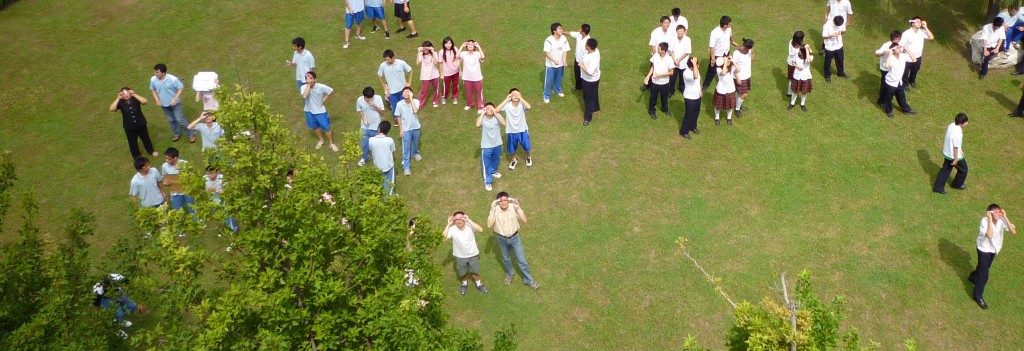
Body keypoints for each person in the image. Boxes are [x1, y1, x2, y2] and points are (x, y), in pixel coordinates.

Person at [487, 192, 539, 289]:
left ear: (508, 199)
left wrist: (518, 208)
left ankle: (528, 280)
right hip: (501, 239)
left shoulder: (513, 207)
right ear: (498, 202)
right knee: (506, 259)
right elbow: (489, 225)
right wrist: (492, 210)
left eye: (505, 200)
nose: (503, 202)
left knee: (522, 260)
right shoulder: (495, 210)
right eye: (501, 201)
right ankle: (510, 274)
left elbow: (524, 220)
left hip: (515, 238)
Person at [969, 204, 1016, 309]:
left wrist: (1005, 217)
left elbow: (1013, 231)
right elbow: (989, 235)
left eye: (999, 212)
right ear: (989, 213)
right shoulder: (984, 221)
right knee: (984, 274)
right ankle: (977, 296)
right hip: (983, 249)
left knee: (983, 268)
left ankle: (972, 276)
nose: (998, 214)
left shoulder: (1001, 220)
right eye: (996, 212)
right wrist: (990, 220)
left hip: (993, 249)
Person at [444, 211, 488, 295]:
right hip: (460, 257)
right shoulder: (452, 229)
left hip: (473, 255)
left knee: (475, 272)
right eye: (456, 219)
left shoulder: (469, 225)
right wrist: (448, 225)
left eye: (460, 218)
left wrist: (469, 220)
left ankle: (479, 284)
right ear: (454, 221)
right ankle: (464, 284)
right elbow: (443, 238)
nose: (458, 221)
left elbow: (481, 230)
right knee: (462, 273)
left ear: (464, 219)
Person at [149, 63, 194, 143]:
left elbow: (181, 88)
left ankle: (191, 134)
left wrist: (175, 99)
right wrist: (157, 100)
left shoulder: (173, 79)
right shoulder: (153, 79)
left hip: (175, 104)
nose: (155, 74)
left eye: (157, 72)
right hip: (164, 104)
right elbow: (153, 89)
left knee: (180, 119)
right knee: (171, 120)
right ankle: (177, 134)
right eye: (155, 72)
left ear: (163, 73)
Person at [110, 87, 158, 159]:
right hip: (129, 127)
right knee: (132, 142)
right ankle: (136, 156)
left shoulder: (135, 99)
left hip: (141, 123)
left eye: (127, 93)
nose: (126, 95)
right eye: (123, 93)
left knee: (146, 138)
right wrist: (118, 98)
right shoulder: (120, 102)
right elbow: (112, 109)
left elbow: (144, 101)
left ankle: (151, 151)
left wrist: (134, 94)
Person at [300, 71, 338, 151]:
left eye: (310, 78)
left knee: (327, 128)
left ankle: (332, 143)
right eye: (307, 78)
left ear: (315, 79)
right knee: (315, 127)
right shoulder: (303, 87)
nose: (309, 80)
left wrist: (323, 99)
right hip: (309, 111)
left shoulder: (321, 87)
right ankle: (321, 140)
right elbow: (304, 96)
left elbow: (331, 91)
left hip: (320, 112)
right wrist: (308, 86)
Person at [496, 89, 533, 170]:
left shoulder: (522, 104)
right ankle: (514, 159)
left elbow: (529, 107)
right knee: (511, 150)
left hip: (523, 130)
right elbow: (497, 110)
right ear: (510, 96)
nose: (515, 96)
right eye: (513, 94)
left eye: (517, 94)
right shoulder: (507, 105)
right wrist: (506, 99)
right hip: (511, 131)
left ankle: (528, 157)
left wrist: (521, 98)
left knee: (527, 147)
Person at [933, 113, 969, 194]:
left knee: (945, 170)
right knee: (963, 169)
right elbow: (955, 147)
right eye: (966, 122)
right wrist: (956, 159)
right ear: (961, 123)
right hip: (953, 155)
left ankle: (938, 187)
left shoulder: (952, 125)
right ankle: (957, 184)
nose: (967, 123)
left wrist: (960, 149)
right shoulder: (958, 133)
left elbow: (952, 141)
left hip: (947, 152)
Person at [879, 43, 917, 118]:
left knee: (901, 97)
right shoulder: (890, 58)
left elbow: (914, 60)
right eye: (897, 48)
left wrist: (907, 50)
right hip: (890, 83)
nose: (899, 49)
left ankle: (906, 110)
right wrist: (890, 54)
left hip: (899, 82)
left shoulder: (903, 56)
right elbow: (886, 65)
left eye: (900, 47)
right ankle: (889, 111)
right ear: (893, 50)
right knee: (888, 98)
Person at [477, 103, 506, 192]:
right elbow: (478, 125)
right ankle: (488, 181)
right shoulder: (483, 118)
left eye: (491, 108)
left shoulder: (497, 117)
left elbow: (504, 123)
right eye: (487, 108)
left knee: (495, 160)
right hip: (486, 146)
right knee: (486, 164)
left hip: (497, 144)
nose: (490, 110)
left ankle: (493, 171)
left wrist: (496, 113)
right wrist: (482, 113)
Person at [704, 16, 737, 91]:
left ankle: (724, 81)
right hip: (717, 54)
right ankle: (706, 84)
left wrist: (732, 42)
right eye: (729, 23)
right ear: (725, 25)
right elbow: (712, 47)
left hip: (726, 52)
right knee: (712, 70)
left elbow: (730, 36)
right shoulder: (715, 32)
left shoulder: (728, 29)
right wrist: (713, 59)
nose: (730, 24)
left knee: (726, 66)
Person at [394, 87, 422, 176]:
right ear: (402, 95)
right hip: (406, 129)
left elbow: (415, 110)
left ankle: (415, 153)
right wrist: (401, 130)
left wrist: (411, 99)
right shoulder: (399, 104)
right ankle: (406, 167)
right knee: (406, 149)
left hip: (416, 127)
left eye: (408, 91)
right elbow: (398, 117)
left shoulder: (416, 101)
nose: (406, 93)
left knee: (415, 143)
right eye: (405, 92)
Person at [899, 17, 934, 87]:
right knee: (905, 71)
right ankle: (905, 84)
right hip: (907, 56)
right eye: (917, 21)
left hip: (918, 56)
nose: (919, 23)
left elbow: (931, 37)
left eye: (920, 22)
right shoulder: (906, 33)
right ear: (912, 23)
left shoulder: (921, 32)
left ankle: (912, 80)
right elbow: (901, 44)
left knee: (915, 70)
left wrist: (926, 27)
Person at [356, 87, 386, 167]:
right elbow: (359, 110)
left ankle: (378, 159)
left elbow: (382, 113)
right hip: (365, 127)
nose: (368, 99)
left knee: (377, 145)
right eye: (367, 98)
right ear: (364, 96)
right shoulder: (359, 100)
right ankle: (364, 158)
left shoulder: (378, 98)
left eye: (370, 97)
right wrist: (364, 119)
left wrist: (374, 105)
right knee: (364, 144)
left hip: (376, 127)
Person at [377, 49, 414, 115]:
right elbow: (379, 75)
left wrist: (409, 82)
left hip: (403, 90)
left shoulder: (401, 63)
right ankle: (397, 120)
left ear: (393, 57)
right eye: (385, 59)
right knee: (395, 107)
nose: (386, 61)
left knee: (405, 105)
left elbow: (410, 70)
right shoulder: (383, 65)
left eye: (388, 59)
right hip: (392, 91)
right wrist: (385, 87)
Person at [644, 42, 674, 120]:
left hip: (664, 83)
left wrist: (660, 75)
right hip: (655, 82)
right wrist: (648, 76)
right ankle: (652, 111)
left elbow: (671, 72)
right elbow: (653, 67)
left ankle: (665, 109)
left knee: (664, 97)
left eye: (659, 49)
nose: (658, 49)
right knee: (653, 97)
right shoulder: (655, 56)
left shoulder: (669, 59)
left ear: (664, 50)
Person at [161, 147, 196, 214]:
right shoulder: (164, 166)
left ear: (175, 158)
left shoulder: (185, 164)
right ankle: (180, 223)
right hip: (175, 192)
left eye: (169, 159)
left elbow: (193, 176)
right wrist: (165, 183)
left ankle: (197, 222)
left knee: (192, 209)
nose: (166, 160)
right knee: (177, 211)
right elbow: (164, 177)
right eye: (165, 158)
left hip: (187, 190)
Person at [543, 23, 571, 103]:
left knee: (559, 79)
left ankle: (557, 90)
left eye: (561, 28)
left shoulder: (564, 38)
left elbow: (565, 50)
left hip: (561, 64)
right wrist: (554, 61)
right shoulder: (548, 40)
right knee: (548, 81)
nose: (561, 30)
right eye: (559, 29)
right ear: (554, 31)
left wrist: (564, 61)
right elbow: (547, 53)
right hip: (550, 65)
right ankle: (546, 95)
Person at [205, 166, 238, 233]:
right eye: (208, 173)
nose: (209, 175)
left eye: (211, 173)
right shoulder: (205, 179)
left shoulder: (223, 179)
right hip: (213, 202)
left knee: (228, 217)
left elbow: (226, 192)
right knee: (220, 217)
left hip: (224, 202)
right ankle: (225, 230)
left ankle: (234, 232)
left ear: (217, 172)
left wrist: (216, 190)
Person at [368, 121, 397, 195]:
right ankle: (388, 199)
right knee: (389, 184)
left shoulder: (371, 140)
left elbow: (371, 150)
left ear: (378, 128)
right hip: (388, 165)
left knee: (380, 182)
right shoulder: (390, 140)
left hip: (377, 165)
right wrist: (393, 159)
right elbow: (393, 153)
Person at [874, 31, 903, 105]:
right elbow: (876, 53)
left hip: (894, 69)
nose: (897, 41)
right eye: (896, 39)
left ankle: (887, 100)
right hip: (885, 69)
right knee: (884, 86)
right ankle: (881, 101)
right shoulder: (886, 45)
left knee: (893, 87)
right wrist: (884, 53)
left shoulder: (899, 45)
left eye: (898, 39)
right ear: (892, 39)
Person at [459, 40, 486, 113]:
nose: (470, 45)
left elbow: (483, 57)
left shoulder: (477, 54)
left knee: (479, 92)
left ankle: (480, 106)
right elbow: (457, 57)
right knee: (468, 92)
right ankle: (470, 104)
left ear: (474, 46)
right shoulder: (463, 53)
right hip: (466, 77)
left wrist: (479, 46)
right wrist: (462, 46)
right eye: (468, 44)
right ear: (466, 47)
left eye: (472, 44)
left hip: (477, 77)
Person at [579, 38, 602, 126]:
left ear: (588, 47)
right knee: (594, 93)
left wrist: (581, 65)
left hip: (590, 80)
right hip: (593, 79)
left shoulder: (593, 58)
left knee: (588, 98)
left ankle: (588, 118)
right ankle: (595, 107)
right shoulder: (594, 51)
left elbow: (589, 72)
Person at [679, 57, 702, 139]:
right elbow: (695, 77)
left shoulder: (695, 70)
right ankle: (684, 131)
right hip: (689, 97)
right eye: (696, 64)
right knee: (689, 114)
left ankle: (693, 126)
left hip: (697, 96)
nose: (698, 66)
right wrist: (695, 64)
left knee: (696, 112)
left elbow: (698, 81)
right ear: (692, 65)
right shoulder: (687, 73)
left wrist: (700, 90)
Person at [415, 41, 441, 108]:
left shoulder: (434, 53)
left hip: (435, 74)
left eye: (427, 48)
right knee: (423, 91)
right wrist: (419, 52)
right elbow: (417, 62)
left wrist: (432, 52)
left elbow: (436, 62)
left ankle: (435, 101)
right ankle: (420, 104)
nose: (425, 50)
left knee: (436, 89)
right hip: (425, 75)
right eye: (424, 48)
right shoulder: (421, 54)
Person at [668, 24, 692, 96]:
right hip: (674, 62)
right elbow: (671, 51)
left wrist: (679, 60)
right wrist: (675, 60)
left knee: (682, 77)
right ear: (676, 31)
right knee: (672, 78)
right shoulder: (672, 39)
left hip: (683, 63)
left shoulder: (687, 39)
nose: (680, 32)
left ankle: (682, 89)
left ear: (684, 31)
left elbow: (687, 52)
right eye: (679, 31)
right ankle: (671, 91)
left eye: (682, 31)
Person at [732, 38, 754, 116]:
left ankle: (738, 105)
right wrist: (737, 77)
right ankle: (737, 109)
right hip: (740, 76)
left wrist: (752, 52)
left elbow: (752, 59)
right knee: (744, 94)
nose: (746, 50)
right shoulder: (736, 53)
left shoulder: (749, 51)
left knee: (739, 92)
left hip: (747, 75)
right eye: (746, 48)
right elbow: (733, 66)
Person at [713, 56, 738, 125]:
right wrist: (725, 62)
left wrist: (732, 61)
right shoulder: (718, 69)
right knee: (718, 106)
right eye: (727, 61)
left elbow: (738, 69)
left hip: (730, 90)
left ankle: (729, 118)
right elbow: (723, 73)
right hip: (721, 90)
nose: (728, 62)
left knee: (730, 106)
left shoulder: (731, 68)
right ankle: (717, 118)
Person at [822, 16, 847, 83]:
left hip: (839, 45)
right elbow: (824, 36)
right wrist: (832, 35)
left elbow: (843, 30)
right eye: (836, 25)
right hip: (830, 46)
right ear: (833, 20)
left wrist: (839, 33)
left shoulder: (841, 22)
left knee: (840, 59)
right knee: (828, 61)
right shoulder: (827, 25)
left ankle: (841, 72)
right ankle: (827, 75)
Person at [568, 24, 592, 92]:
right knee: (577, 73)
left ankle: (585, 88)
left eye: (580, 28)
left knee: (584, 75)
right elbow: (570, 33)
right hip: (577, 59)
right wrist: (562, 32)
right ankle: (578, 86)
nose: (579, 29)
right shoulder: (579, 35)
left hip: (584, 62)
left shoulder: (588, 41)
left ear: (583, 32)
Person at [439, 37, 460, 105]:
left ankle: (455, 96)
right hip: (446, 72)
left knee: (455, 84)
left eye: (450, 43)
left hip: (455, 71)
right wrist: (441, 73)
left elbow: (458, 60)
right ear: (444, 44)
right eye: (446, 44)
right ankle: (444, 96)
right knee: (446, 85)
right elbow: (441, 63)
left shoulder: (455, 49)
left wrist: (460, 70)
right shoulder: (441, 52)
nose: (448, 45)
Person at [786, 31, 805, 96]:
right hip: (794, 64)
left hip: (790, 62)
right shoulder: (798, 49)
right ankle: (792, 91)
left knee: (791, 79)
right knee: (794, 79)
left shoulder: (791, 41)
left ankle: (789, 92)